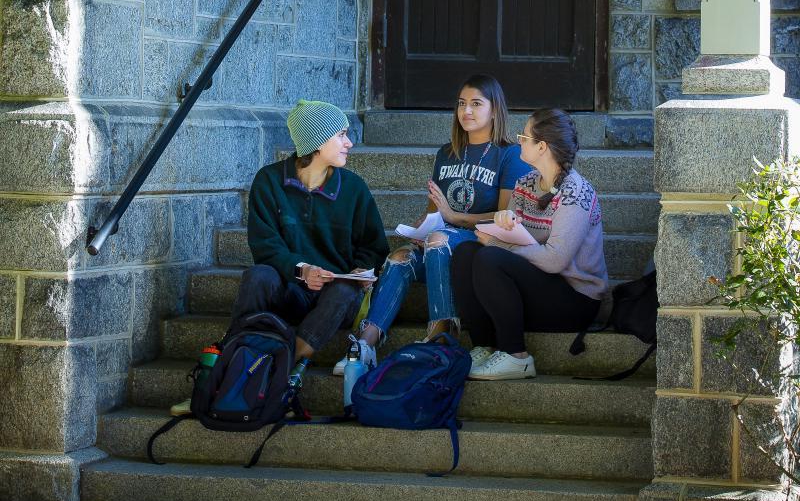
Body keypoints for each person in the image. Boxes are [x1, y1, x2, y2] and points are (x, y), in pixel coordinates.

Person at [170, 99, 388, 413]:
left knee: (344, 290)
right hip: (288, 290)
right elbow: (265, 246)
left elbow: (374, 246)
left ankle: (271, 372)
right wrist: (302, 270)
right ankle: (230, 367)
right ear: (316, 141)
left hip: (332, 298)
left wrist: (359, 271)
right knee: (259, 275)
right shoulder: (269, 181)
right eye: (341, 135)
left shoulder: (354, 188)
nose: (349, 143)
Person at [334, 74, 530, 375]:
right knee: (400, 257)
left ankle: (443, 334)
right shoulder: (446, 153)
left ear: (495, 110)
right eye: (462, 103)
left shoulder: (509, 154)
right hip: (444, 237)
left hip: (477, 246)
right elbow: (435, 211)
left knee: (439, 238)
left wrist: (455, 219)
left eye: (476, 104)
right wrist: (420, 230)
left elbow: (505, 218)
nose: (466, 111)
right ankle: (366, 344)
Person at [451, 106, 608, 381]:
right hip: (537, 290)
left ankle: (516, 356)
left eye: (524, 137)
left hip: (575, 299)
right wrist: (502, 223)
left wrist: (501, 246)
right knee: (466, 252)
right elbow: (512, 240)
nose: (519, 141)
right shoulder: (525, 184)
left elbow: (555, 260)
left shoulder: (576, 192)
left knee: (491, 258)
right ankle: (484, 346)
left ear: (542, 147)